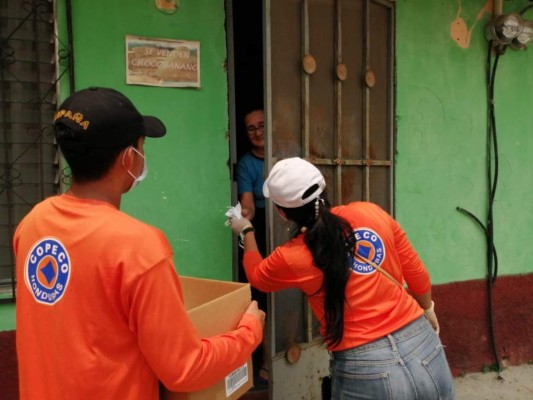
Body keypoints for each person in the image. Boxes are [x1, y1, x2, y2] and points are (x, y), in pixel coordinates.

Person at [13, 87, 265, 400]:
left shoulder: (33, 224)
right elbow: (184, 368)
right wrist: (249, 331)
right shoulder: (139, 246)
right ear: (130, 158)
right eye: (142, 147)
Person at [228, 157, 455, 400]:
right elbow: (416, 272)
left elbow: (257, 275)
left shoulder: (291, 257)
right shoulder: (370, 212)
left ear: (282, 213)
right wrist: (427, 308)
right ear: (324, 188)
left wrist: (246, 230)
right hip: (423, 344)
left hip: (365, 366)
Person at [235, 108, 269, 384]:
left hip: (291, 226)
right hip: (265, 228)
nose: (257, 132)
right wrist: (244, 215)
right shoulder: (246, 163)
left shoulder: (285, 153)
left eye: (262, 126)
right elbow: (248, 203)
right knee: (263, 293)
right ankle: (267, 361)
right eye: (251, 128)